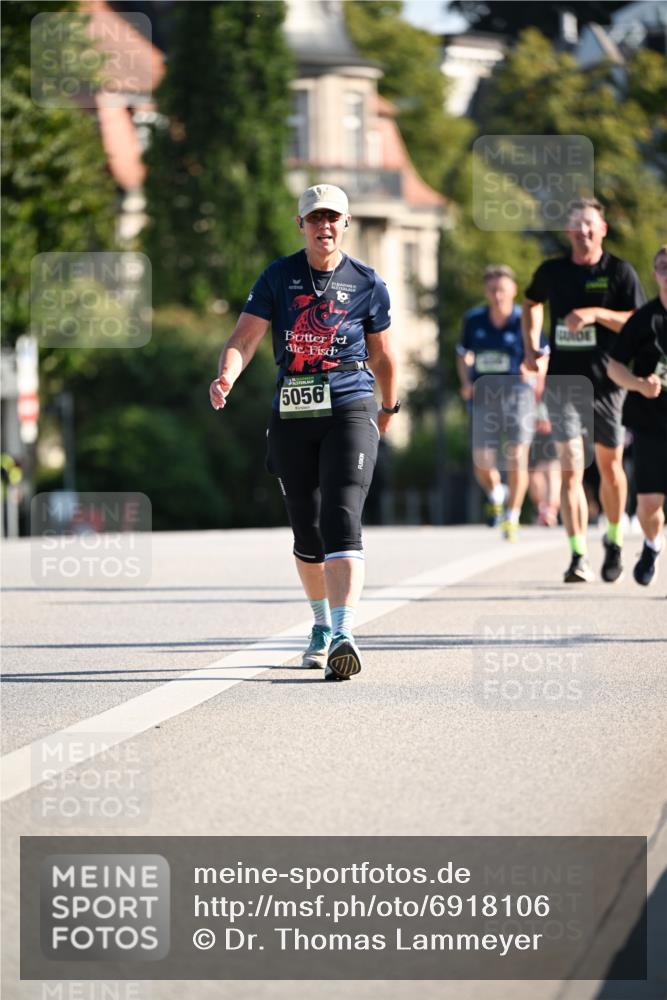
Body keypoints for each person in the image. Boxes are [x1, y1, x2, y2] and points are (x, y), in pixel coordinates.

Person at [209, 184, 398, 680]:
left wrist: (389, 406)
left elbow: (382, 356)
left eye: (333, 218)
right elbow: (244, 338)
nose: (324, 226)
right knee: (307, 528)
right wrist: (227, 375)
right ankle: (320, 623)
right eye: (315, 218)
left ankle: (344, 634)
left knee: (342, 516)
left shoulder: (367, 282)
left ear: (346, 223)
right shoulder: (278, 276)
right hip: (293, 410)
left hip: (350, 403)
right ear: (301, 225)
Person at [523, 198, 645, 583]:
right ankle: (578, 555)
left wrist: (594, 314)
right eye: (576, 225)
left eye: (590, 224)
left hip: (608, 384)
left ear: (602, 229)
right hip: (563, 383)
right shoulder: (553, 271)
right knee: (570, 468)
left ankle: (614, 539)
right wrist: (530, 345)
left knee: (610, 467)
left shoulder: (619, 272)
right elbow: (531, 302)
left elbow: (638, 320)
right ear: (568, 232)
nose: (583, 231)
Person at [457, 264, 545, 541]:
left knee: (517, 455)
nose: (497, 296)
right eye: (492, 290)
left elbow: (544, 354)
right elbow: (462, 353)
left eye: (502, 290)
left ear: (513, 291)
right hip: (484, 395)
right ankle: (496, 492)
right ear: (486, 291)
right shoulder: (473, 320)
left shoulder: (524, 319)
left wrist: (533, 373)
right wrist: (465, 381)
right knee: (481, 460)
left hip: (518, 394)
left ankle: (513, 515)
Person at [607, 245, 667, 586]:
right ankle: (652, 544)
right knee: (648, 504)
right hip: (650, 423)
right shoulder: (644, 320)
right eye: (663, 267)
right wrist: (639, 385)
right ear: (655, 273)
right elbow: (614, 367)